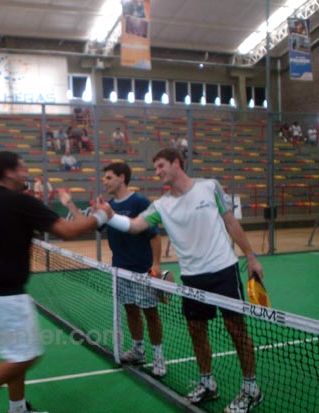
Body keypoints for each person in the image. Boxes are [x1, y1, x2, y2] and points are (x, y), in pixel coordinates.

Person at [99, 148, 264, 413]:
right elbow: (135, 226)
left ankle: (251, 389)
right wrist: (110, 216)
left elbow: (231, 222)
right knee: (196, 331)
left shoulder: (209, 187)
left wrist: (251, 256)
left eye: (161, 166)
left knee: (237, 330)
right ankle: (207, 383)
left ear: (177, 163)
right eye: (155, 168)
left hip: (223, 270)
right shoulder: (161, 206)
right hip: (192, 277)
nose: (157, 172)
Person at [0, 151, 109, 413]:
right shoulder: (21, 202)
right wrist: (102, 216)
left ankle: (17, 408)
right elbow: (67, 231)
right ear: (8, 172)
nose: (26, 173)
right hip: (5, 298)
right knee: (27, 356)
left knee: (15, 354)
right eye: (22, 168)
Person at [73, 162, 166, 376]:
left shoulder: (140, 202)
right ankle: (138, 350)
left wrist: (156, 265)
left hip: (142, 270)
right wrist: (93, 213)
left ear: (122, 178)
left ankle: (159, 357)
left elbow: (154, 235)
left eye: (109, 178)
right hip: (120, 270)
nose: (105, 182)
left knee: (151, 313)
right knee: (131, 310)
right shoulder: (109, 205)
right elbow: (96, 228)